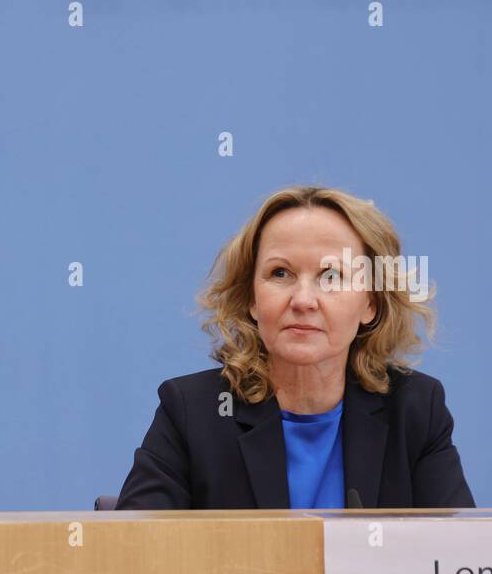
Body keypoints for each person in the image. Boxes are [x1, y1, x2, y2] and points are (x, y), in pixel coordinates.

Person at [115, 185, 473, 510]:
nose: (303, 300)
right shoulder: (192, 412)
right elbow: (135, 559)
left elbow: (459, 562)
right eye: (280, 274)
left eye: (332, 276)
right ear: (252, 298)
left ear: (371, 304)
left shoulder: (414, 410)